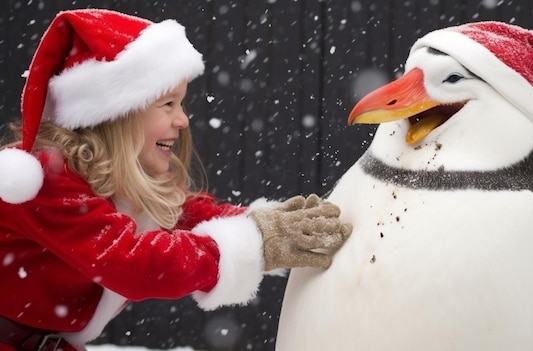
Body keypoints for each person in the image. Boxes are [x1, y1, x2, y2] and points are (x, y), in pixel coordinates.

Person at [0, 9, 351, 351]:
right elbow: (132, 262)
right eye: (168, 104)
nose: (182, 120)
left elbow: (184, 212)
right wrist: (255, 241)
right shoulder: (43, 180)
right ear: (117, 116)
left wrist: (267, 225)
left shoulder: (116, 180)